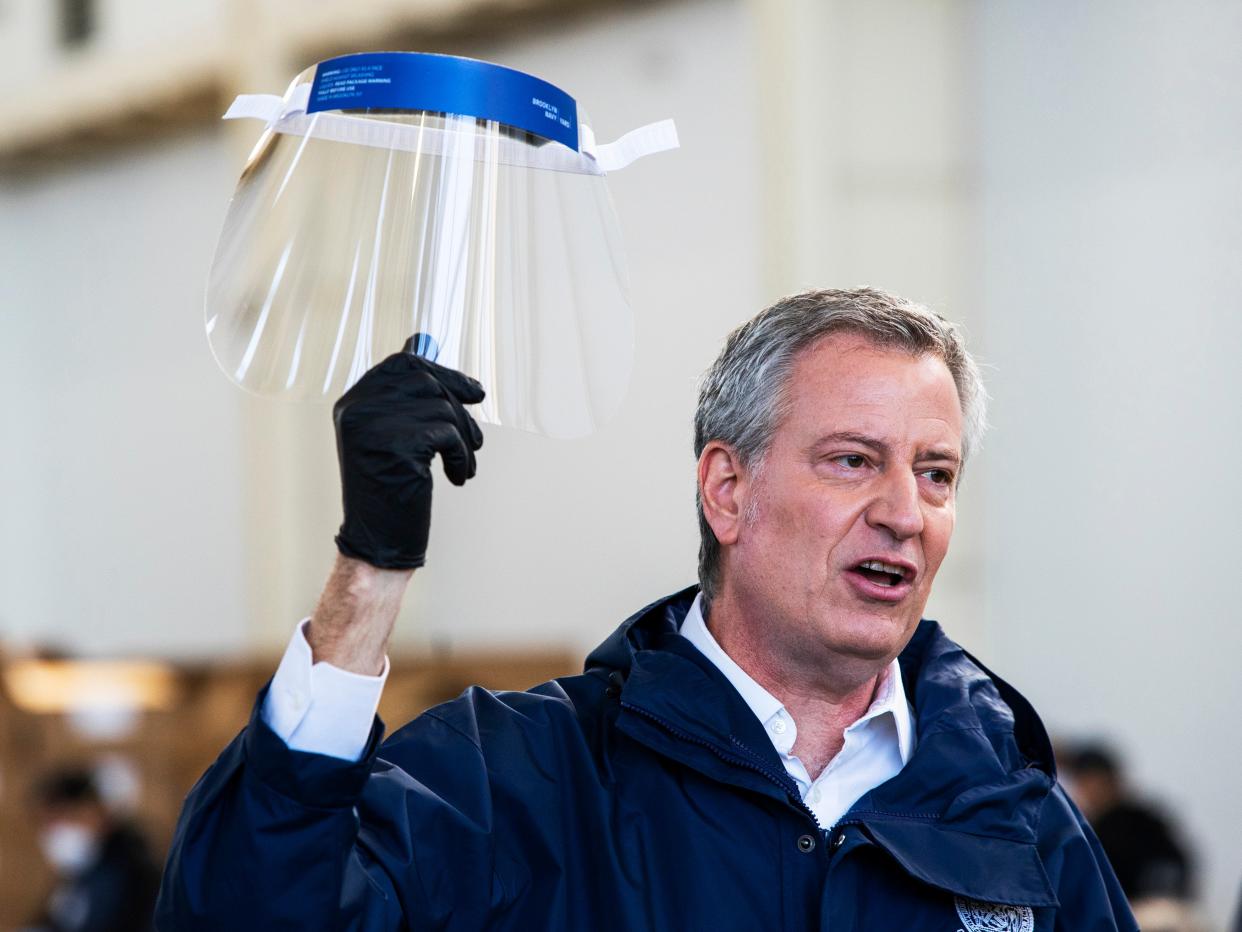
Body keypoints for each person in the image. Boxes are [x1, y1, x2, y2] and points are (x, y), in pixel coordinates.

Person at [157, 288, 1137, 930]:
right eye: (853, 460)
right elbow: (253, 909)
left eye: (936, 473)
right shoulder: (518, 784)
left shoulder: (1007, 809)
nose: (903, 514)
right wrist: (371, 566)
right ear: (728, 489)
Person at [26, 767, 160, 932]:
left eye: (64, 819)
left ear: (96, 811)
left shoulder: (131, 871)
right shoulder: (81, 872)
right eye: (47, 824)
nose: (57, 832)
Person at [1059, 742, 1194, 902]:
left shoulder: (1142, 821)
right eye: (1085, 783)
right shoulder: (1084, 828)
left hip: (1145, 909)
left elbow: (1173, 867)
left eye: (1096, 782)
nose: (1092, 790)